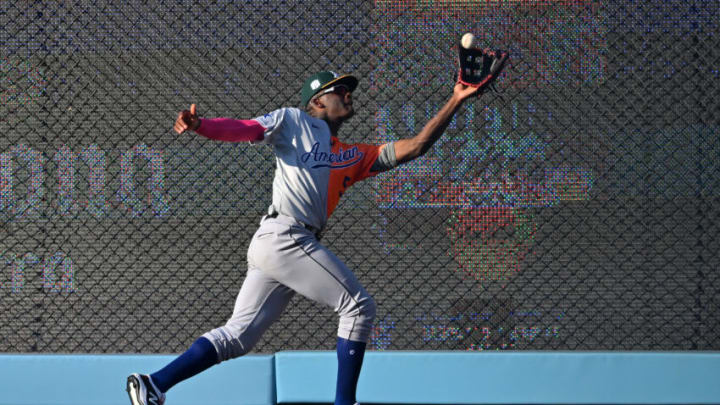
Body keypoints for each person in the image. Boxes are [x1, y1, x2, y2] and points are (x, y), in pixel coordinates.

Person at [126, 70, 485, 405]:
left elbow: (418, 146)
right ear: (316, 101)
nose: (347, 95)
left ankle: (154, 384)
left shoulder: (350, 155)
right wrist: (201, 125)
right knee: (359, 308)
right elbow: (247, 129)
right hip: (285, 234)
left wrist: (455, 99)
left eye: (347, 90)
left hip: (281, 243)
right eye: (338, 90)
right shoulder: (294, 121)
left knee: (238, 337)